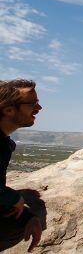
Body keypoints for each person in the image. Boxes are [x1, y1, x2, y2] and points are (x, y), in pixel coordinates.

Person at [0, 79, 44, 252]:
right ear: (9, 109)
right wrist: (14, 198)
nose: (39, 108)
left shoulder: (4, 144)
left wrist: (27, 217)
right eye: (33, 103)